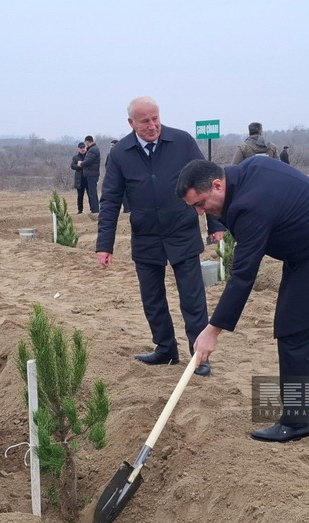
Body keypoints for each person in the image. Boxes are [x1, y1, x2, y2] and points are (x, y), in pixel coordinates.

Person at [178, 157, 309, 442]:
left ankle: (295, 422)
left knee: (292, 332)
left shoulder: (250, 205)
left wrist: (213, 330)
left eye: (200, 203)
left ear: (217, 185)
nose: (200, 212)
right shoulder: (252, 170)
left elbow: (244, 274)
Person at [97, 96, 224, 377]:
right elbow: (110, 200)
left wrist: (215, 223)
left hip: (182, 231)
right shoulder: (120, 154)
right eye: (145, 121)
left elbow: (208, 182)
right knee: (152, 299)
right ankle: (165, 349)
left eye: (156, 118)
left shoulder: (182, 142)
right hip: (146, 237)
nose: (153, 125)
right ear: (131, 123)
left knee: (193, 298)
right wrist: (104, 244)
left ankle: (198, 356)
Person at [106, 139, 131, 213]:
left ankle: (127, 208)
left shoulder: (123, 154)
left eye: (113, 145)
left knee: (125, 193)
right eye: (111, 146)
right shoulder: (109, 155)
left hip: (123, 177)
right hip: (113, 177)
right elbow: (107, 165)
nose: (111, 147)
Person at [82, 135, 101, 214]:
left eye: (86, 143)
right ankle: (94, 209)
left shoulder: (93, 150)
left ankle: (95, 210)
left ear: (88, 141)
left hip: (92, 174)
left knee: (92, 193)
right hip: (91, 173)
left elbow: (88, 161)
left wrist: (81, 163)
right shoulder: (92, 149)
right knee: (91, 192)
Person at [71, 142, 87, 214]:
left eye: (84, 147)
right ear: (78, 149)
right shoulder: (76, 157)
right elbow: (72, 166)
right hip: (79, 179)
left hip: (87, 178)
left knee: (91, 194)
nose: (83, 149)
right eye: (81, 148)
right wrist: (79, 166)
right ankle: (80, 210)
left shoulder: (88, 156)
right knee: (80, 196)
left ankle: (92, 209)